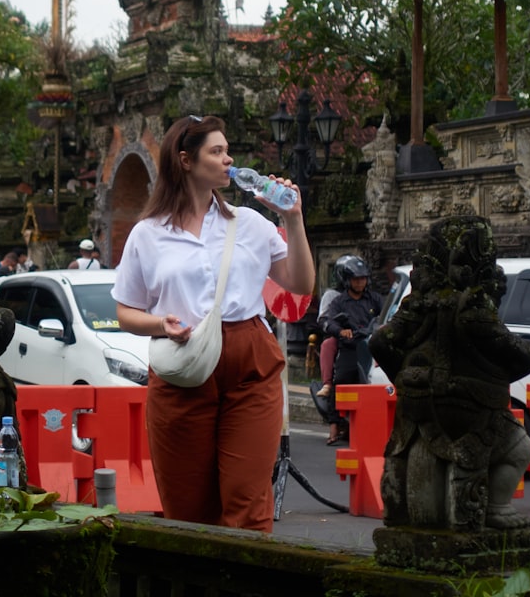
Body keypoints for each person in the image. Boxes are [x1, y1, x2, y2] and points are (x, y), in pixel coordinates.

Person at [111, 114, 314, 531]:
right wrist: (159, 324)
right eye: (216, 151)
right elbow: (125, 312)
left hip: (250, 363)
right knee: (188, 507)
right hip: (184, 366)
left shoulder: (251, 224)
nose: (228, 160)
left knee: (247, 502)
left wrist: (293, 219)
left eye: (227, 150)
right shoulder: (148, 234)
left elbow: (300, 283)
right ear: (186, 160)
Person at [317, 254, 384, 445]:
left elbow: (386, 315)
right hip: (350, 347)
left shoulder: (375, 299)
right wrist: (341, 331)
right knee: (341, 381)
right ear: (347, 281)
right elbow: (326, 321)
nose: (360, 283)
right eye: (356, 279)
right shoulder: (339, 301)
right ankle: (333, 427)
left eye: (363, 279)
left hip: (371, 346)